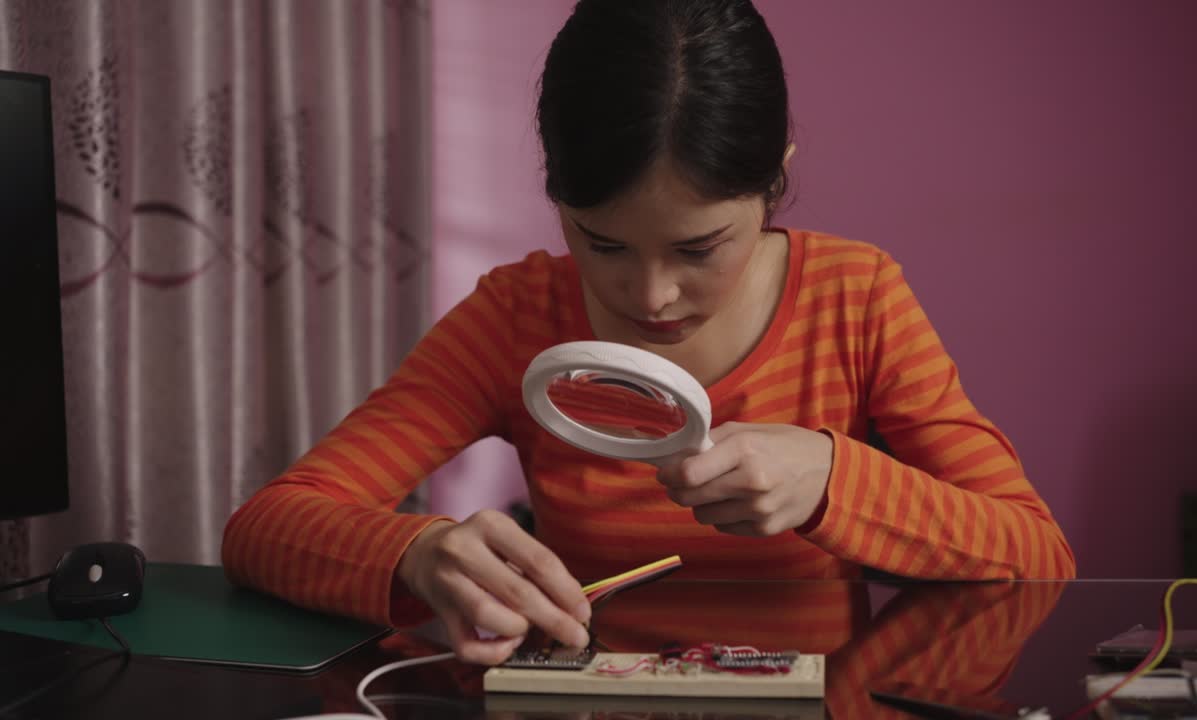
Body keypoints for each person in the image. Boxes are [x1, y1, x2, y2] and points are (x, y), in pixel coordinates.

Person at [222, 0, 1076, 667]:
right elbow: (265, 527)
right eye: (602, 245)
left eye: (699, 249)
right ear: (555, 192)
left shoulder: (856, 298)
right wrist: (421, 553)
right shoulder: (516, 316)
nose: (652, 296)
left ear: (774, 180)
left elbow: (1039, 554)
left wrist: (832, 479)